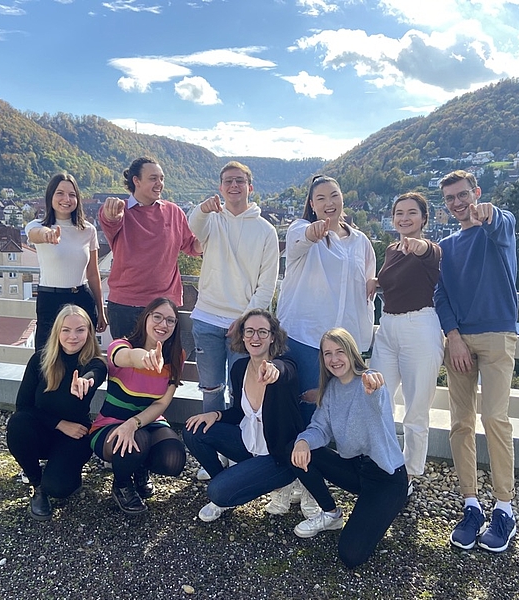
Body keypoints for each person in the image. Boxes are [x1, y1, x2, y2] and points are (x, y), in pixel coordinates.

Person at [434, 170, 518, 553]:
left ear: (476, 193)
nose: (458, 203)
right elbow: (440, 295)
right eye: (450, 198)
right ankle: (471, 504)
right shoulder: (446, 247)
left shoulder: (498, 227)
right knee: (461, 422)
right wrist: (452, 336)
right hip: (459, 341)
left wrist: (489, 213)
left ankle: (504, 508)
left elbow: (501, 221)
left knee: (495, 419)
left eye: (463, 195)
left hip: (498, 335)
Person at [188, 161, 280, 480]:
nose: (234, 186)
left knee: (241, 392)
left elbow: (267, 285)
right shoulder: (212, 220)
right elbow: (193, 227)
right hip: (206, 316)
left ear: (250, 187)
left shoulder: (266, 231)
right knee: (211, 389)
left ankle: (237, 450)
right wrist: (203, 208)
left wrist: (245, 321)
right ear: (221, 187)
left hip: (244, 326)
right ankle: (212, 452)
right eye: (228, 181)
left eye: (240, 181)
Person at [290, 328, 408, 569]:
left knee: (350, 555)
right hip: (356, 468)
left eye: (340, 352)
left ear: (351, 352)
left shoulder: (369, 381)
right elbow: (319, 429)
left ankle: (382, 507)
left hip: (386, 478)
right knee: (297, 451)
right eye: (328, 353)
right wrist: (302, 441)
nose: (334, 359)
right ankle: (331, 513)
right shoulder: (331, 389)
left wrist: (373, 388)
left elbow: (377, 396)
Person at [182, 309, 312, 522]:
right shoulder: (239, 368)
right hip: (247, 443)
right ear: (242, 336)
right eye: (249, 331)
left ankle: (274, 483)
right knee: (193, 430)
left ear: (272, 337)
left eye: (262, 332)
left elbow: (284, 371)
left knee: (217, 492)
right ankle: (229, 482)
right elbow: (239, 412)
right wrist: (215, 414)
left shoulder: (285, 365)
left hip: (277, 456)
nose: (255, 337)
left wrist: (274, 370)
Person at [277, 175, 376, 422]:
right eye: (321, 198)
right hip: (306, 337)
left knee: (342, 408)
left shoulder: (360, 242)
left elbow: (367, 290)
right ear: (312, 204)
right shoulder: (300, 228)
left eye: (334, 196)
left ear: (343, 199)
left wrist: (362, 341)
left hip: (345, 342)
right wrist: (312, 233)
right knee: (308, 406)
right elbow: (300, 241)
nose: (329, 203)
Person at [368, 192, 444, 495]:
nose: (404, 218)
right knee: (377, 399)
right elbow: (394, 281)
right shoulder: (391, 250)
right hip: (388, 327)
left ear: (424, 218)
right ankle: (384, 463)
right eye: (399, 213)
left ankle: (408, 474)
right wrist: (376, 282)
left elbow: (426, 253)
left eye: (412, 213)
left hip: (420, 327)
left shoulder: (431, 250)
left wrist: (418, 245)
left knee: (416, 407)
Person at [6, 305, 107, 521]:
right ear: (57, 332)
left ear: (89, 332)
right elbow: (23, 406)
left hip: (75, 435)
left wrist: (85, 380)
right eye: (66, 330)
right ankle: (36, 484)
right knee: (18, 423)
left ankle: (61, 473)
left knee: (59, 488)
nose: (73, 337)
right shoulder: (40, 360)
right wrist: (60, 423)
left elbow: (94, 374)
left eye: (80, 330)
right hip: (44, 430)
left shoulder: (95, 363)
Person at [89, 298, 187, 514]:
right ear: (145, 318)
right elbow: (130, 357)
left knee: (174, 459)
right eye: (157, 317)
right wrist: (146, 358)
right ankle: (122, 484)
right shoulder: (121, 346)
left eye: (170, 320)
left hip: (149, 420)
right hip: (109, 424)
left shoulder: (176, 356)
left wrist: (134, 422)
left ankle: (139, 467)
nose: (163, 324)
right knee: (135, 442)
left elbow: (162, 402)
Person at [99, 156, 201, 339]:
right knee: (126, 357)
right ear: (136, 181)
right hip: (125, 306)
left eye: (161, 178)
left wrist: (211, 234)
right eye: (153, 178)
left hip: (164, 305)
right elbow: (110, 219)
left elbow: (192, 247)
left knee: (162, 358)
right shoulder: (120, 211)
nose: (159, 183)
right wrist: (111, 213)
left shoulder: (174, 212)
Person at [26, 173, 107, 351]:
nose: (66, 199)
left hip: (82, 298)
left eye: (72, 194)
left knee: (83, 355)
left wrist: (101, 310)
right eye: (60, 193)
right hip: (50, 300)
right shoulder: (37, 226)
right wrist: (47, 235)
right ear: (50, 196)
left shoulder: (88, 230)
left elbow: (93, 274)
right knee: (46, 357)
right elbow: (35, 235)